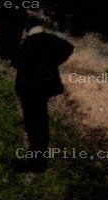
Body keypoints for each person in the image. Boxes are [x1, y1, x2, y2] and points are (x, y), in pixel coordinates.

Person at [12, 22, 74, 171]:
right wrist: (52, 63)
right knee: (41, 125)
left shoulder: (28, 43)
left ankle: (35, 163)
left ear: (27, 31)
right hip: (44, 88)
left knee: (33, 127)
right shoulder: (51, 40)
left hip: (30, 89)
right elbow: (68, 47)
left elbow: (15, 61)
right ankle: (40, 161)